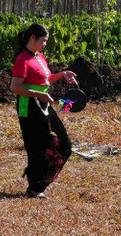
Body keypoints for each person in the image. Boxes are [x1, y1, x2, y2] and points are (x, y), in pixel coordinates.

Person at [10, 23, 77, 199]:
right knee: (39, 147)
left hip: (43, 103)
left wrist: (62, 74)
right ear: (32, 38)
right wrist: (39, 95)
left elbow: (45, 80)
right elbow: (15, 87)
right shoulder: (22, 59)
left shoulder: (39, 57)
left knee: (64, 143)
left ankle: (38, 183)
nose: (45, 44)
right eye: (43, 40)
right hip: (30, 106)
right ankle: (35, 188)